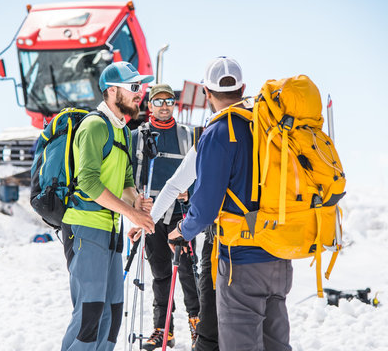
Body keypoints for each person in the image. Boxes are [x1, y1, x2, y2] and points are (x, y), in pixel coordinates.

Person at [168, 57, 293, 351]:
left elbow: (205, 207)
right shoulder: (267, 126)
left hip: (241, 259)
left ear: (206, 92)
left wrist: (181, 231)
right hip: (279, 253)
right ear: (243, 89)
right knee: (276, 344)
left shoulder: (218, 132)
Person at [60, 61, 155, 351]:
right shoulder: (94, 126)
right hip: (86, 228)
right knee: (89, 315)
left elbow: (125, 181)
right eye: (134, 87)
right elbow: (88, 182)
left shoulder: (123, 130)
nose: (140, 93)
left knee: (111, 314)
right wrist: (131, 213)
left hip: (111, 230)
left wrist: (135, 199)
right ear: (112, 91)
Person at [130, 84, 200, 350]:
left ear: (175, 104)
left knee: (188, 272)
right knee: (160, 272)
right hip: (151, 215)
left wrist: (189, 192)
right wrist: (134, 199)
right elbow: (126, 174)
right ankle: (163, 328)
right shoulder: (136, 136)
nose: (164, 106)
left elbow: (202, 172)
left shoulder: (188, 135)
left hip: (181, 212)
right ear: (150, 106)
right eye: (158, 102)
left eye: (169, 100)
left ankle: (197, 323)